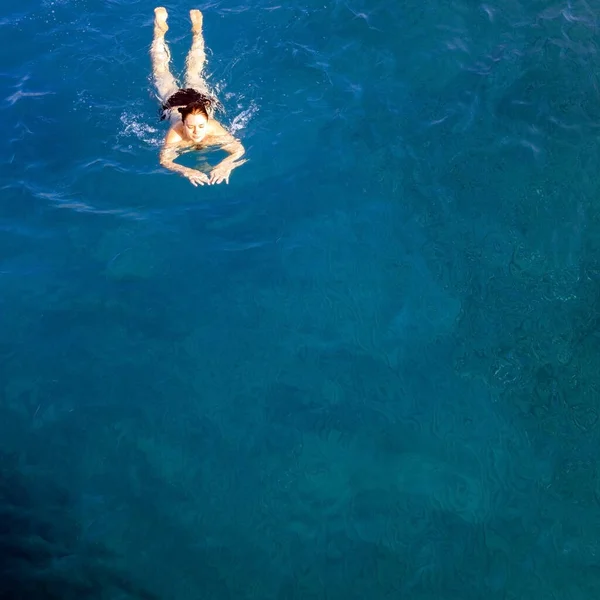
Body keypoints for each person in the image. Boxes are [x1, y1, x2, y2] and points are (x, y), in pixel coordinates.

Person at [150, 7, 246, 186]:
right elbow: (164, 160)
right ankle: (159, 33)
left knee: (194, 71)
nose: (196, 132)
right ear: (183, 123)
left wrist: (225, 165)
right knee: (162, 72)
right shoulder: (176, 134)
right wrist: (186, 171)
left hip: (201, 99)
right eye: (191, 127)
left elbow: (239, 150)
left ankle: (197, 31)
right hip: (175, 102)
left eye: (201, 126)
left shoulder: (213, 129)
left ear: (207, 122)